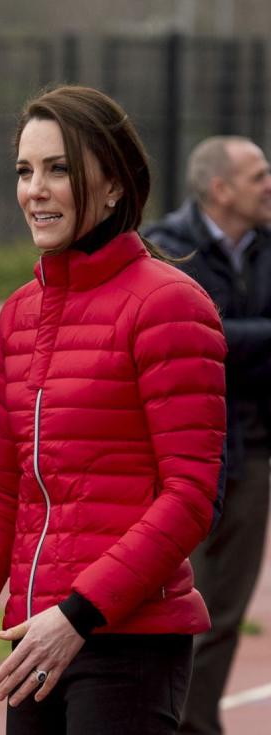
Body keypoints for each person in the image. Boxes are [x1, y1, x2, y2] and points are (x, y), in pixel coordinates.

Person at [0, 85, 227, 735]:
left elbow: (190, 496)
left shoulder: (169, 304)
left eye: (58, 168)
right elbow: (5, 485)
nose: (34, 189)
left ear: (116, 186)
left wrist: (79, 613)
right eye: (24, 170)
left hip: (128, 639)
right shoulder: (19, 314)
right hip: (35, 635)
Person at [144, 136, 271, 735]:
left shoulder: (268, 245)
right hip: (188, 457)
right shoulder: (170, 248)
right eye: (258, 175)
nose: (269, 185)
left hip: (256, 450)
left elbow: (230, 338)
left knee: (226, 613)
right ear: (220, 189)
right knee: (179, 605)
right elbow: (207, 337)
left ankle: (197, 724)